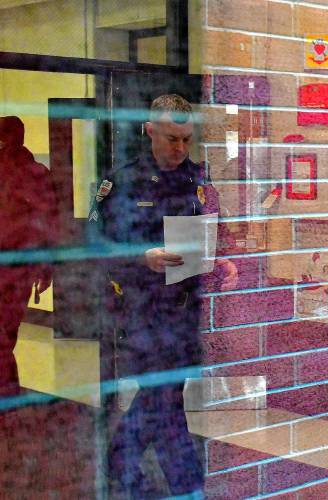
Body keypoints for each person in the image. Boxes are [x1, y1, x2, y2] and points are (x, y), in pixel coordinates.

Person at [90, 94, 237, 497]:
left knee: (164, 397)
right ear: (149, 129)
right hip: (141, 311)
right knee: (165, 399)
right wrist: (141, 257)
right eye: (172, 138)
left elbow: (210, 234)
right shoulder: (121, 182)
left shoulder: (197, 179)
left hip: (184, 313)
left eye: (187, 140)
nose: (180, 148)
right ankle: (186, 485)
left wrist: (220, 262)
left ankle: (121, 457)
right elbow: (95, 244)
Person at [0, 116, 57, 397]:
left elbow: (46, 223)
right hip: (22, 268)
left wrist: (45, 268)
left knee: (5, 335)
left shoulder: (29, 174)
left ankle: (9, 395)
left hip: (16, 267)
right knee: (7, 334)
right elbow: (48, 225)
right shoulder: (36, 172)